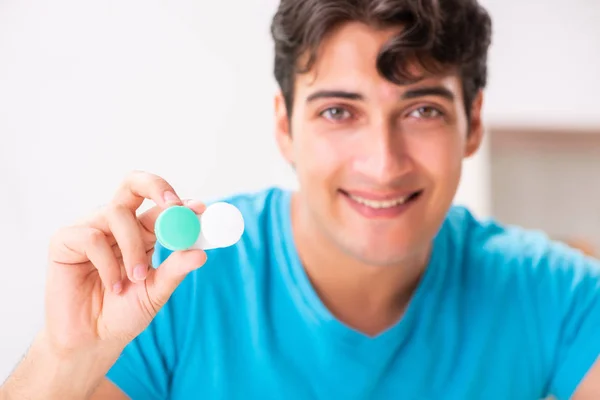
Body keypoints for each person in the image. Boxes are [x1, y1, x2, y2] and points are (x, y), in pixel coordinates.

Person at [2, 0, 600, 398]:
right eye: (339, 111)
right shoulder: (168, 292)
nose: (383, 162)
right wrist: (64, 357)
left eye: (422, 109)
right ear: (285, 126)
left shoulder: (560, 294)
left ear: (471, 123)